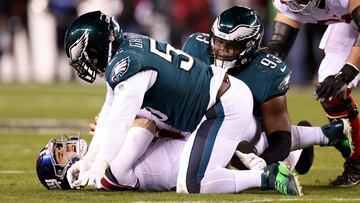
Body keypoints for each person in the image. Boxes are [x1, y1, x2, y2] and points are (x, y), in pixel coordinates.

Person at [62, 10, 302, 195]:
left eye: (86, 56)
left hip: (222, 105)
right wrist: (89, 161)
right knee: (199, 173)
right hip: (211, 105)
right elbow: (109, 112)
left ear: (99, 45)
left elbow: (120, 121)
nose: (86, 64)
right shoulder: (125, 50)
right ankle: (294, 153)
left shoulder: (127, 64)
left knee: (193, 184)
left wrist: (100, 165)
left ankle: (268, 176)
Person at [181, 5, 352, 173]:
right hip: (209, 116)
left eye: (231, 46)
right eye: (218, 43)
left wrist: (261, 164)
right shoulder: (195, 47)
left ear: (249, 45)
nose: (222, 50)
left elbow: (280, 138)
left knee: (241, 155)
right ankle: (324, 135)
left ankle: (311, 143)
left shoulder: (267, 72)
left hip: (249, 129)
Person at [268, 0, 360, 186]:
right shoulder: (287, 3)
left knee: (341, 77)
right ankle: (358, 161)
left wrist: (348, 71)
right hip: (348, 23)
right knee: (332, 93)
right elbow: (279, 46)